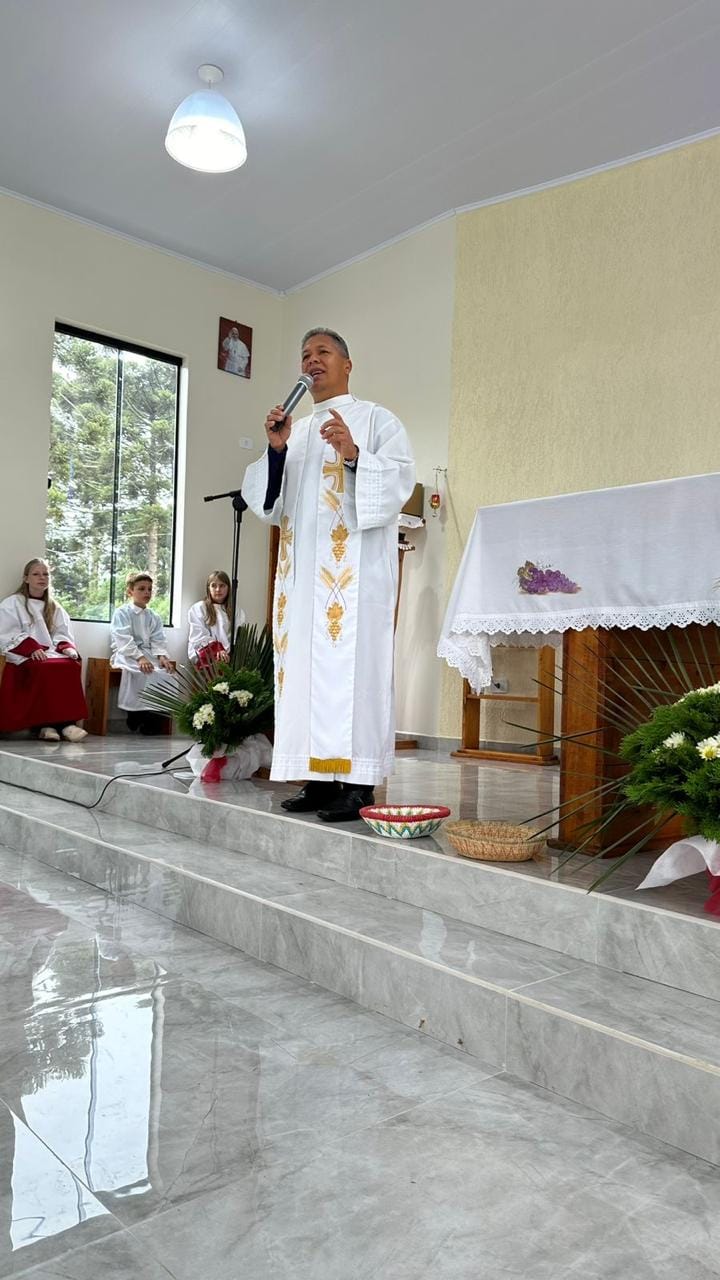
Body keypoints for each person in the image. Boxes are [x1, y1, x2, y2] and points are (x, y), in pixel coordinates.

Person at [242, 327, 415, 822]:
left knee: (352, 675)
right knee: (304, 677)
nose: (312, 360)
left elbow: (399, 481)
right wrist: (276, 450)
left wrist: (355, 454)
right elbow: (268, 504)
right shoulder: (292, 431)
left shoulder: (377, 419)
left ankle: (357, 785)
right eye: (305, 355)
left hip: (355, 583)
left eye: (323, 352)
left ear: (347, 364)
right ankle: (317, 781)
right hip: (300, 585)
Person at [0, 558, 88, 741]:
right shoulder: (13, 603)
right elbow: (6, 631)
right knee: (44, 667)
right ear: (26, 578)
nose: (42, 578)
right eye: (36, 574)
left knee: (70, 665)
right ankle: (44, 725)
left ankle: (66, 724)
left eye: (46, 574)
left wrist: (66, 648)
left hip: (50, 653)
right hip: (23, 655)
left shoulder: (54, 606)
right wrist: (30, 647)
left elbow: (62, 633)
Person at [110, 572, 176, 733]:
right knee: (140, 672)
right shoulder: (122, 613)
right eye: (141, 589)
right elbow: (122, 638)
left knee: (164, 673)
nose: (147, 592)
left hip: (149, 654)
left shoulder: (154, 616)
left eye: (149, 589)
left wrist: (162, 656)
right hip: (129, 653)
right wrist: (139, 658)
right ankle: (134, 716)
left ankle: (155, 719)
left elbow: (158, 638)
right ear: (130, 591)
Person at [187, 571, 246, 667]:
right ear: (208, 588)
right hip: (208, 660)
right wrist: (217, 650)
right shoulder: (199, 608)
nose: (218, 589)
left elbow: (238, 636)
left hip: (230, 660)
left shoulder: (237, 611)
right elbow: (198, 636)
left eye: (222, 586)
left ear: (228, 588)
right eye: (213, 586)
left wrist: (231, 653)